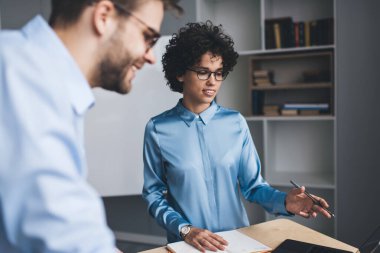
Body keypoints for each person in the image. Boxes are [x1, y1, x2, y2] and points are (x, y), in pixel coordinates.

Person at [0, 0, 182, 252]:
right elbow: (67, 237)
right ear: (103, 16)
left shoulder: (33, 72)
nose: (150, 56)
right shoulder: (22, 76)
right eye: (148, 37)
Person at [142, 21, 332, 253]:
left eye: (219, 73)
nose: (212, 82)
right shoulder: (158, 128)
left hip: (237, 243)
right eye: (203, 72)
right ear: (180, 72)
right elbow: (153, 196)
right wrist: (185, 229)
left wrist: (286, 202)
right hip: (187, 246)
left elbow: (253, 187)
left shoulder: (235, 123)